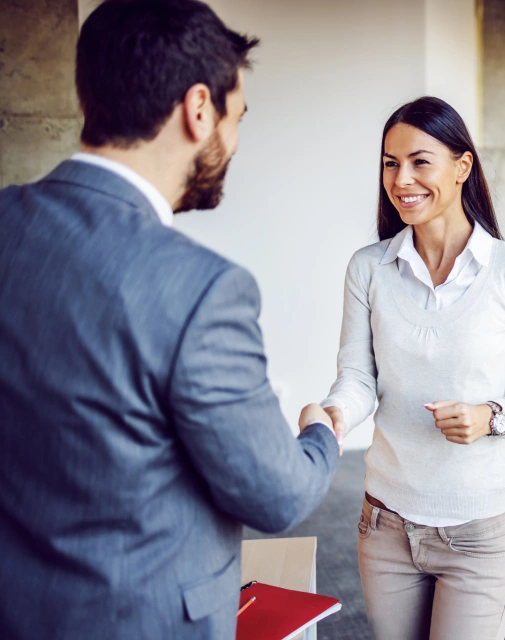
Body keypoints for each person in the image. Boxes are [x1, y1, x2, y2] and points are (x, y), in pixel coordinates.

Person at [0, 2, 341, 638]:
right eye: (236, 118)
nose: (234, 142)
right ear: (199, 109)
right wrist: (318, 434)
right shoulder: (204, 291)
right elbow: (278, 495)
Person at [304, 96, 505, 640]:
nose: (402, 179)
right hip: (385, 524)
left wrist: (491, 416)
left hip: (479, 531)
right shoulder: (369, 268)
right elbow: (357, 377)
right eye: (390, 163)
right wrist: (333, 415)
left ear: (462, 166)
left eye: (421, 161)